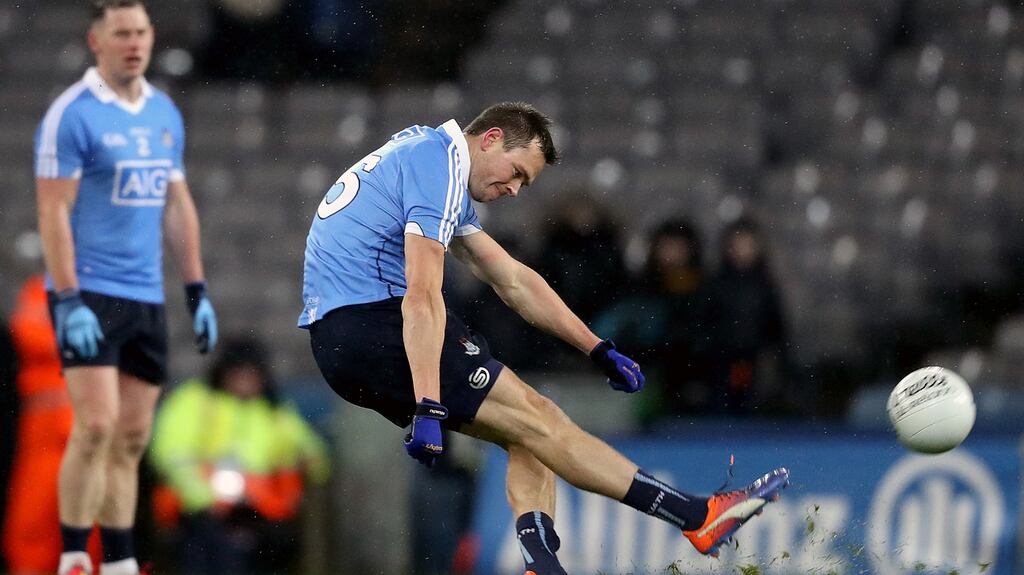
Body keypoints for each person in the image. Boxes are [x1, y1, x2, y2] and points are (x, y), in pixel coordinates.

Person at [299, 102, 789, 574]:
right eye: (516, 172)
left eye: (524, 183)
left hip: (339, 341)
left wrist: (595, 347)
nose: (514, 190)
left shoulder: (424, 159)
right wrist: (429, 405)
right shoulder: (438, 167)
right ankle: (698, 516)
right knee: (543, 419)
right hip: (376, 325)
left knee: (528, 436)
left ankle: (542, 564)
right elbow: (422, 295)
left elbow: (513, 279)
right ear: (491, 139)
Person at [33, 2, 218, 574]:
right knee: (96, 426)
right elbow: (53, 212)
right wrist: (68, 299)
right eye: (121, 34)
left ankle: (118, 561)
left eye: (140, 32)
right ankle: (72, 556)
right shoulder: (73, 115)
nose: (133, 43)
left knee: (133, 436)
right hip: (89, 291)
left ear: (151, 36)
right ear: (97, 41)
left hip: (145, 296)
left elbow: (177, 205)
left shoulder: (163, 112)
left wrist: (195, 289)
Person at [149, 336, 330, 574]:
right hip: (202, 507)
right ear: (224, 372)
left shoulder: (272, 410)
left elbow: (309, 451)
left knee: (278, 546)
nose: (245, 381)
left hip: (260, 509)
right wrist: (203, 498)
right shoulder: (195, 401)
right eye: (239, 373)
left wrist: (303, 465)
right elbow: (171, 452)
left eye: (252, 374)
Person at [3, 277, 102, 575]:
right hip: (44, 426)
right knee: (33, 514)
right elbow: (28, 334)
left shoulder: (107, 287)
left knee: (89, 517)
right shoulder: (40, 290)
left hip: (89, 423)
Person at [592, 218, 712, 422]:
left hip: (695, 375)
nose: (671, 255)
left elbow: (706, 333)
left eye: (677, 248)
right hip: (650, 372)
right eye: (667, 247)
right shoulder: (641, 287)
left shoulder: (702, 288)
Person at [704, 217, 790, 415]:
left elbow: (776, 329)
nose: (743, 251)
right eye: (738, 244)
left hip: (755, 363)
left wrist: (775, 361)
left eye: (748, 244)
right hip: (720, 364)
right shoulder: (715, 285)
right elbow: (705, 324)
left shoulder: (765, 286)